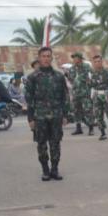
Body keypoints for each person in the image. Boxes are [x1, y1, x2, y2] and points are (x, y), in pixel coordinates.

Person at [25, 47, 69, 181]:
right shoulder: (32, 77)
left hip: (56, 115)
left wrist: (65, 115)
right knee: (41, 144)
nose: (46, 58)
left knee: (55, 143)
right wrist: (31, 118)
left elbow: (65, 96)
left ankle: (55, 169)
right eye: (43, 56)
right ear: (39, 58)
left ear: (51, 58)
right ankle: (45, 170)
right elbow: (29, 98)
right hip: (40, 116)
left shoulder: (59, 76)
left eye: (48, 56)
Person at [90, 55, 108, 141]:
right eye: (95, 62)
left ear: (102, 62)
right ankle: (103, 133)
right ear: (93, 63)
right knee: (98, 115)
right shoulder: (91, 73)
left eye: (99, 61)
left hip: (106, 95)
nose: (97, 63)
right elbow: (89, 84)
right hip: (96, 95)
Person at [67, 52, 95, 136]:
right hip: (76, 93)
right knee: (76, 111)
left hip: (85, 93)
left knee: (88, 110)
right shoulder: (72, 68)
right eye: (73, 58)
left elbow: (92, 77)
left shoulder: (87, 67)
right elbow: (70, 79)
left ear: (80, 58)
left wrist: (88, 82)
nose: (74, 59)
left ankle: (91, 128)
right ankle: (78, 128)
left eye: (75, 58)